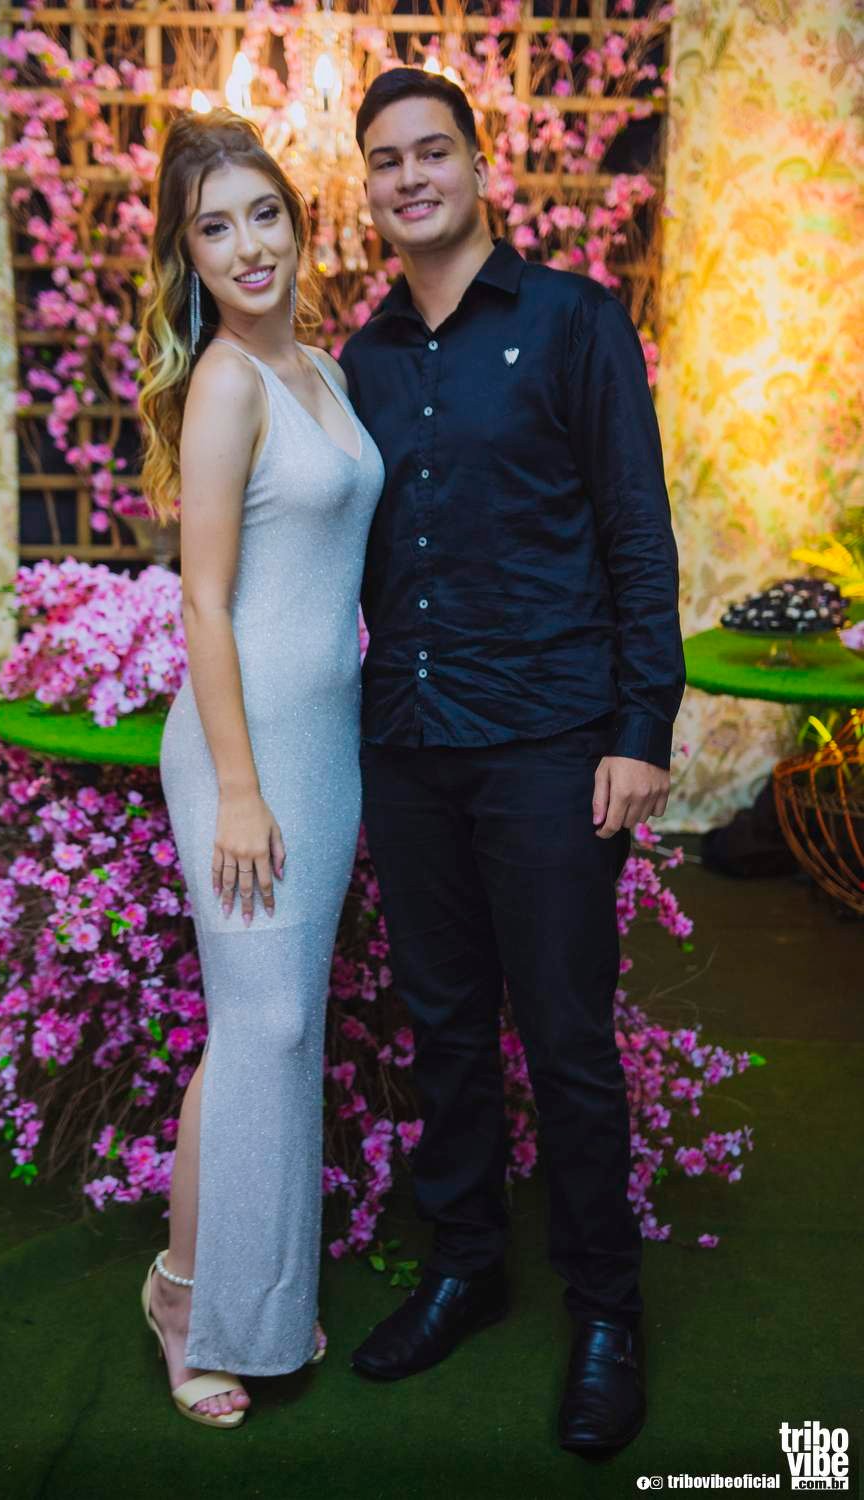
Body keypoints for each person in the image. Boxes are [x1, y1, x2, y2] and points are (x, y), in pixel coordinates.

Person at [338, 69, 685, 1454]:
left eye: (432, 152)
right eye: (385, 162)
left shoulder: (575, 322)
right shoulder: (362, 359)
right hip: (410, 742)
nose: (410, 177)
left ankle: (607, 1311)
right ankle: (469, 1266)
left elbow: (636, 529)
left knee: (567, 1039)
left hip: (549, 740)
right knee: (442, 1027)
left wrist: (641, 729)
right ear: (367, 189)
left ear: (480, 167)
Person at [136, 108, 384, 1429]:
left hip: (324, 743)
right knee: (262, 1027)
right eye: (215, 227)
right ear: (189, 255)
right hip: (245, 750)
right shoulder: (229, 382)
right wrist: (238, 786)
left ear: (297, 220)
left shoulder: (323, 372)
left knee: (282, 1026)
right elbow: (204, 600)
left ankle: (261, 1298)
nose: (248, 246)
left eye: (264, 214)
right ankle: (185, 1299)